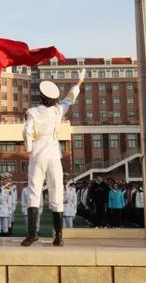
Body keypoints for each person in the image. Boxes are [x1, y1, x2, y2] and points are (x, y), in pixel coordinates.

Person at [21, 68, 84, 246]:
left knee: (34, 192)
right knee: (57, 192)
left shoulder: (32, 112)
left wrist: (29, 148)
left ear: (40, 97)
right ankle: (59, 237)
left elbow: (27, 131)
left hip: (38, 153)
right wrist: (78, 83)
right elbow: (70, 98)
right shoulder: (58, 110)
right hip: (54, 154)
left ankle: (32, 234)